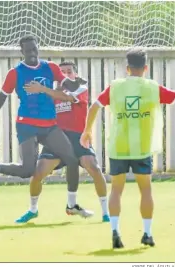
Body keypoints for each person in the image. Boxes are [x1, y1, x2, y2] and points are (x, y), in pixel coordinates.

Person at [0, 35, 87, 211]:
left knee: (72, 159)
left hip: (49, 125)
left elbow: (70, 88)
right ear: (22, 52)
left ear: (38, 48)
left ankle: (71, 205)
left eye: (35, 49)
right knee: (27, 170)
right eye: (28, 51)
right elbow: (0, 99)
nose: (32, 53)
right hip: (26, 125)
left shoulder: (51, 68)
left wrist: (76, 82)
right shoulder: (15, 73)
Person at [80, 48, 175, 248]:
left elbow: (94, 107)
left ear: (127, 68)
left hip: (118, 147)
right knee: (146, 189)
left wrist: (87, 131)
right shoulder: (152, 87)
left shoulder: (115, 87)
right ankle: (147, 234)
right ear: (146, 68)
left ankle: (115, 231)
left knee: (116, 189)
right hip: (141, 147)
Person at [15, 61, 109, 223]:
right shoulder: (51, 94)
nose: (65, 75)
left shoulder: (81, 89)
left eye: (69, 72)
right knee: (37, 174)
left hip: (77, 138)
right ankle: (33, 210)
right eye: (62, 72)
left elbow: (69, 97)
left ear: (75, 75)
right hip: (57, 138)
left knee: (94, 168)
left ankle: (106, 212)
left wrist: (47, 89)